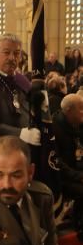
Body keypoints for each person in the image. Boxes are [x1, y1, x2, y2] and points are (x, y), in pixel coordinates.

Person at [0, 33, 38, 144]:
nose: (12, 58)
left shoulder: (23, 80)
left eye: (16, 53)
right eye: (6, 52)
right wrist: (19, 133)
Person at [52, 94, 83, 235]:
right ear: (69, 110)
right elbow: (56, 161)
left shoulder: (77, 125)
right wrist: (78, 176)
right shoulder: (55, 128)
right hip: (62, 178)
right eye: (81, 108)